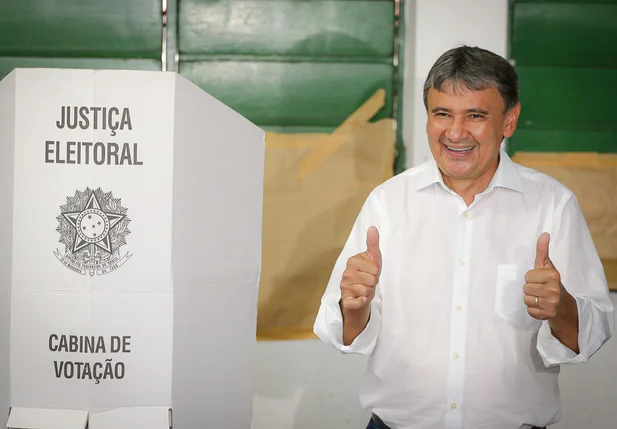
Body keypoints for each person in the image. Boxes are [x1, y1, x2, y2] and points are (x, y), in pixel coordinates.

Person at [313, 45, 614, 429]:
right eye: (442, 114)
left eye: (475, 115)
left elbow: (590, 336)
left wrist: (562, 308)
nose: (455, 133)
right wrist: (353, 307)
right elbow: (343, 333)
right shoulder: (386, 203)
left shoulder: (553, 205)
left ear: (509, 120)